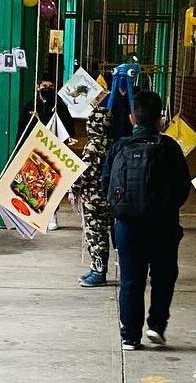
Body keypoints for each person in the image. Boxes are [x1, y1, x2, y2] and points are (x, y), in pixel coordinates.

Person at [102, 91, 191, 350]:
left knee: (131, 279)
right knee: (164, 276)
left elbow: (106, 184)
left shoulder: (119, 147)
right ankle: (156, 326)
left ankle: (130, 336)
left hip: (127, 226)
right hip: (163, 224)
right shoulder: (170, 147)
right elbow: (183, 187)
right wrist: (167, 207)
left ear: (132, 118)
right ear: (160, 120)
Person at [19, 75, 77, 231]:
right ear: (38, 87)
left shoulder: (59, 105)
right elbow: (22, 128)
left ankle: (51, 214)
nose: (47, 89)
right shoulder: (30, 105)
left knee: (52, 184)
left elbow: (69, 125)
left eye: (51, 87)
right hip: (34, 150)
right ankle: (33, 214)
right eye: (44, 86)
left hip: (53, 150)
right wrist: (20, 149)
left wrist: (69, 139)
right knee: (33, 183)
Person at [72, 104, 113, 287]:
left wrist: (73, 188)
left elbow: (84, 173)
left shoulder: (93, 146)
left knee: (95, 235)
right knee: (102, 233)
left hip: (93, 198)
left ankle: (98, 272)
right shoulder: (113, 143)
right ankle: (96, 268)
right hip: (107, 197)